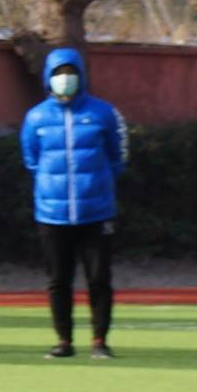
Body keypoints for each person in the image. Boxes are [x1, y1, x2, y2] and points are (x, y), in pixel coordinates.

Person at [22, 47, 127, 360]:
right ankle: (64, 341)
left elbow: (117, 157)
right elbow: (31, 159)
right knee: (58, 280)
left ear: (81, 76)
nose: (65, 78)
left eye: (70, 72)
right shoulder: (36, 117)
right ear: (48, 78)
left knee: (99, 279)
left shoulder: (103, 113)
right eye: (59, 73)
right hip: (51, 214)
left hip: (96, 212)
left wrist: (97, 186)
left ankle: (99, 341)